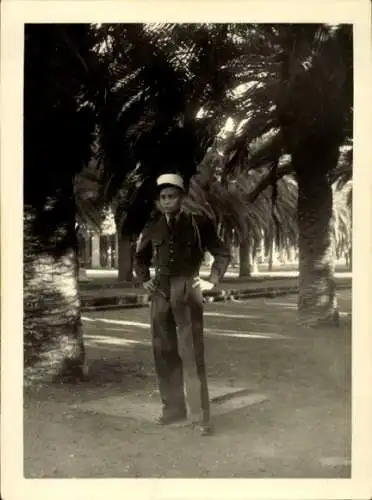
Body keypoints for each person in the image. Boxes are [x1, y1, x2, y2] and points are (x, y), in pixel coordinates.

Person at [134, 172, 231, 436]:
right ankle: (173, 410)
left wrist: (212, 280)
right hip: (160, 292)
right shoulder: (153, 226)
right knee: (163, 352)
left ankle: (201, 418)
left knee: (191, 354)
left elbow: (221, 252)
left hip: (187, 289)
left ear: (182, 198)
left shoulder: (199, 223)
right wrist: (144, 280)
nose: (167, 201)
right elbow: (140, 257)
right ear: (159, 200)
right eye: (163, 197)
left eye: (172, 196)